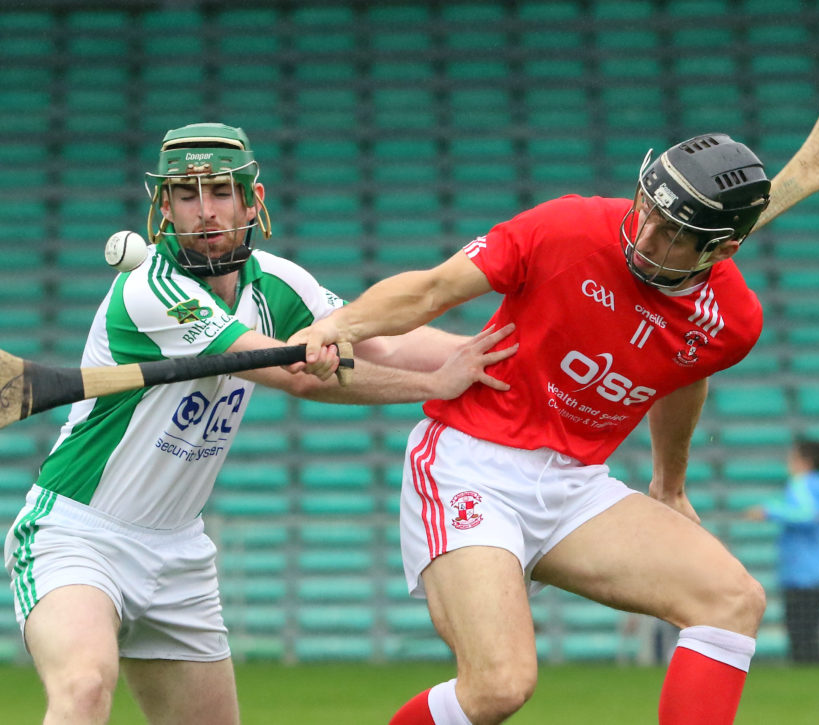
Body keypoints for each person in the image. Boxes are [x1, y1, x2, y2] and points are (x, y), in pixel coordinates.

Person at [3, 122, 515, 725]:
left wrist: (489, 354)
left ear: (253, 201)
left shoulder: (279, 283)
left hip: (177, 550)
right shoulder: (150, 291)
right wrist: (433, 386)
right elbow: (298, 377)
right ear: (164, 208)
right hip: (78, 535)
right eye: (187, 195)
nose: (206, 211)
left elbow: (383, 343)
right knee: (85, 686)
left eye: (221, 191)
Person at [293, 133, 773, 724]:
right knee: (499, 686)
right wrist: (340, 325)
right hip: (471, 464)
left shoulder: (732, 322)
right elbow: (434, 288)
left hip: (576, 485)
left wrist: (669, 484)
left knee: (733, 601)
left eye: (672, 232)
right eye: (647, 208)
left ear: (722, 249)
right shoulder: (569, 227)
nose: (644, 235)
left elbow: (683, 375)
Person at [745, 437, 819, 664]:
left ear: (805, 461)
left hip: (802, 574)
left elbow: (807, 514)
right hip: (815, 571)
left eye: (793, 457)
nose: (788, 462)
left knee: (801, 635)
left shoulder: (802, 483)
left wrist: (769, 511)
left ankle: (809, 676)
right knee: (809, 634)